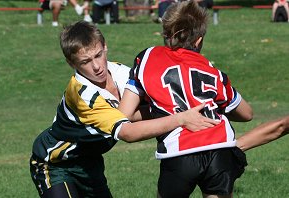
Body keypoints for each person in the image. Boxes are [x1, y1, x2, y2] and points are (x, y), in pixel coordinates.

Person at [30, 21, 219, 197]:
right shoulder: (82, 95)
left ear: (105, 47)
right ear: (72, 64)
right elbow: (127, 132)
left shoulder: (122, 73)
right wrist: (181, 118)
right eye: (85, 62)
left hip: (91, 163)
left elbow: (155, 104)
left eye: (98, 55)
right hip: (55, 164)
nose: (96, 67)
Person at [119, 1, 253, 197]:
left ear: (165, 33)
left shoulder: (147, 57)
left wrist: (164, 110)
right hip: (220, 147)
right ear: (198, 41)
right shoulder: (211, 69)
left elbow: (124, 114)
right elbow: (247, 114)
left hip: (179, 152)